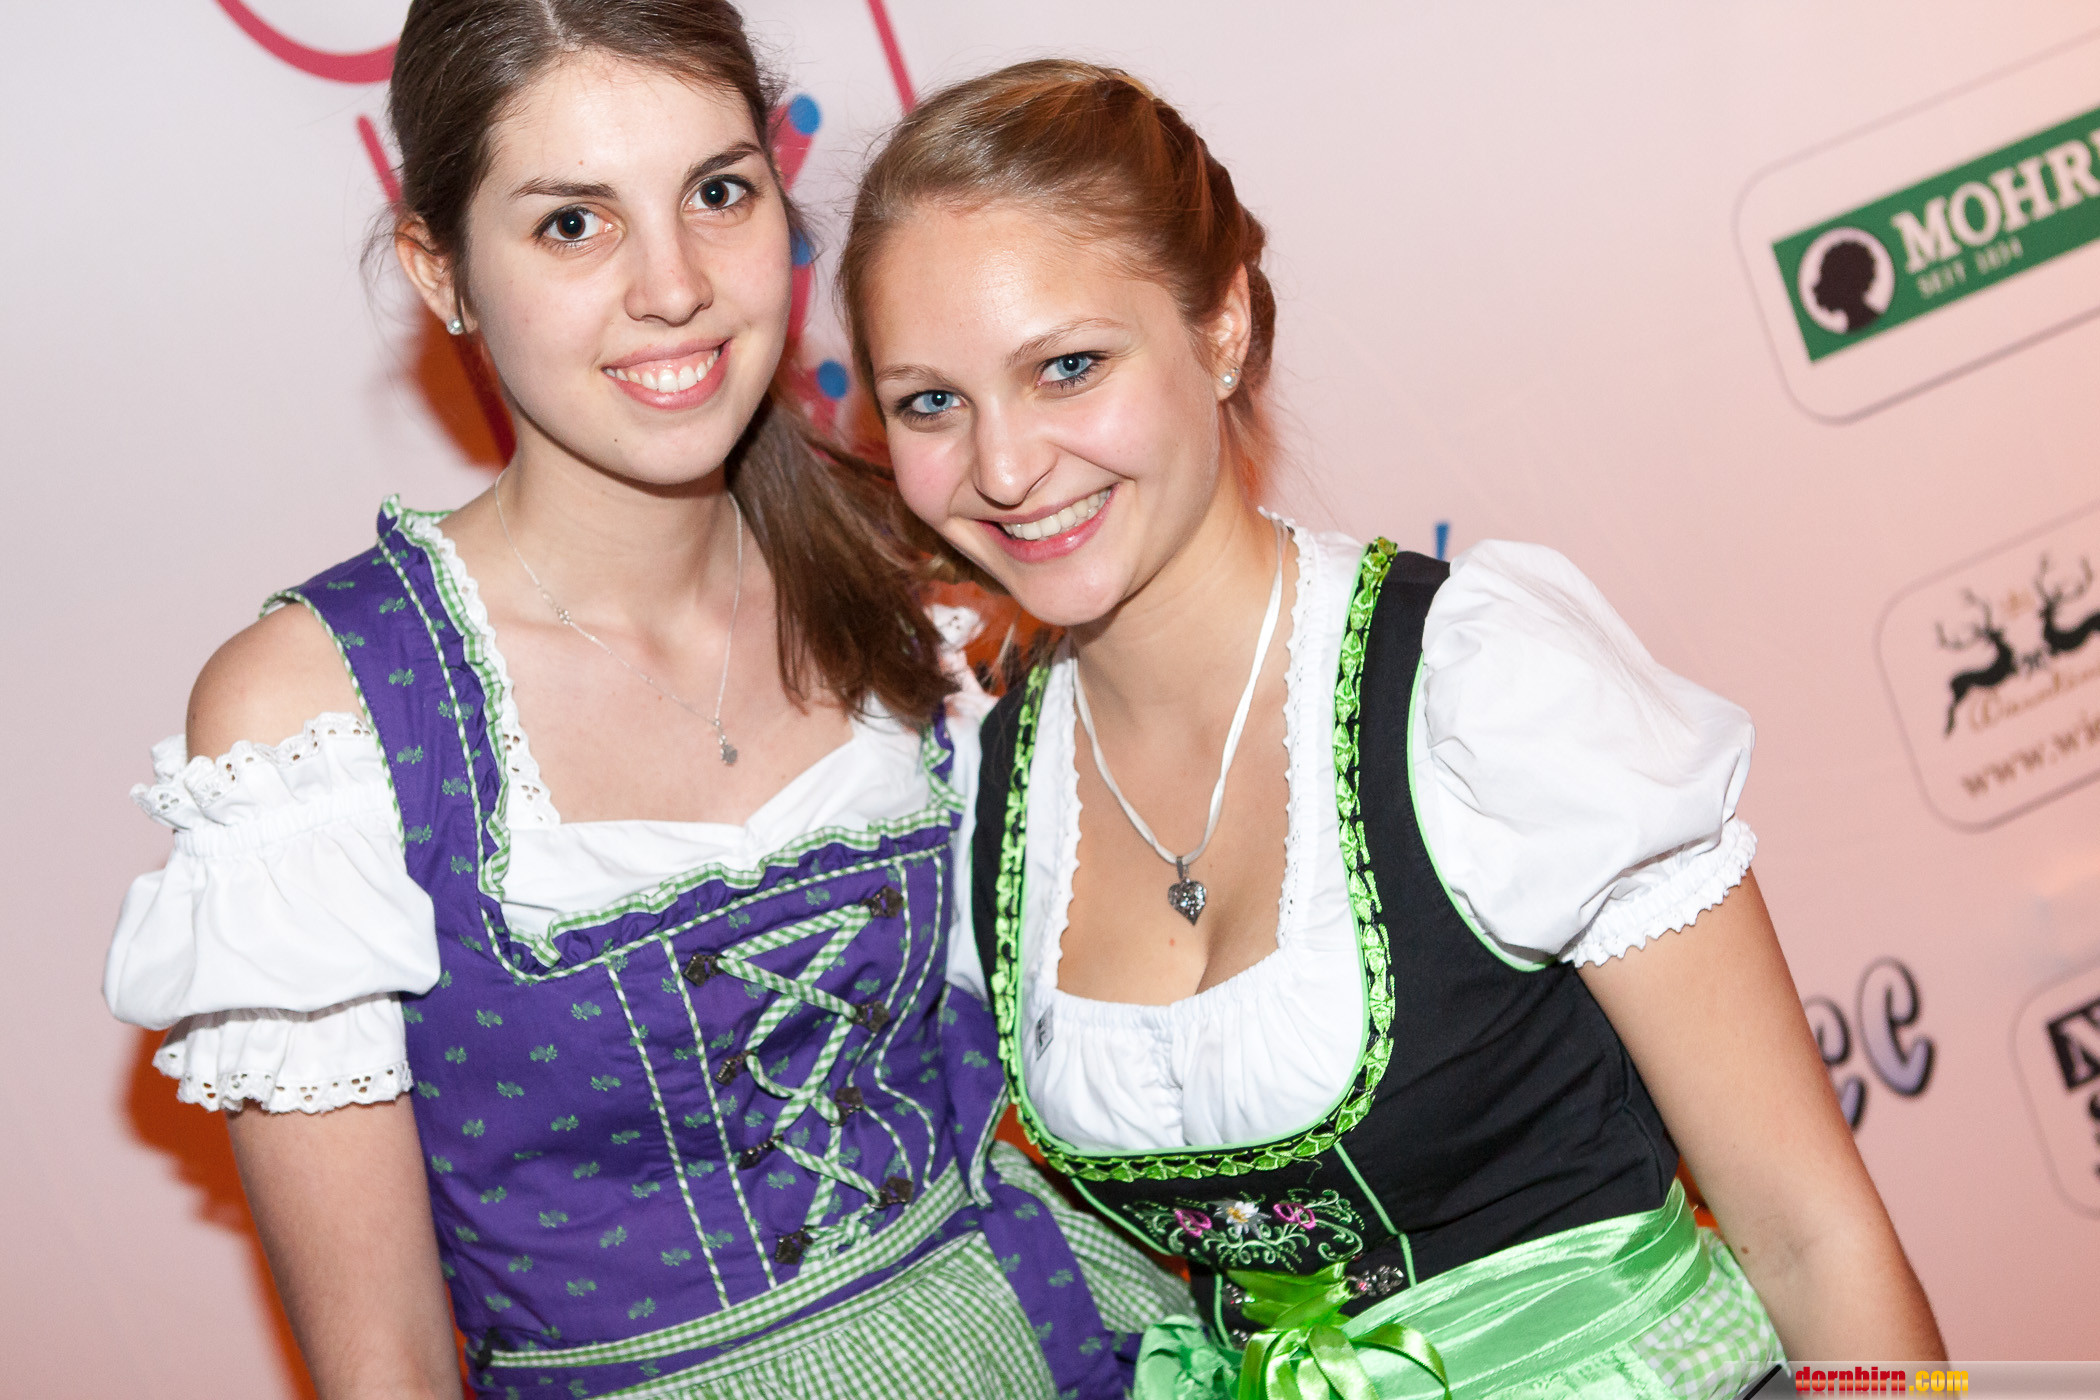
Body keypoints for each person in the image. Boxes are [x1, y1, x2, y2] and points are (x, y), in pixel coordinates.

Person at [103, 13, 1185, 1399]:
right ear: (442, 271)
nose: (674, 287)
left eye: (718, 193)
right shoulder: (320, 716)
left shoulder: (920, 574)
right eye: (574, 223)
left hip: (1073, 1346)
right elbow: (383, 1368)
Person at [840, 60, 1946, 1400]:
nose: (1006, 468)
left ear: (1222, 326)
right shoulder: (983, 806)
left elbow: (1814, 1239)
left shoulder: (1481, 687)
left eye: (1067, 367)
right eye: (931, 403)